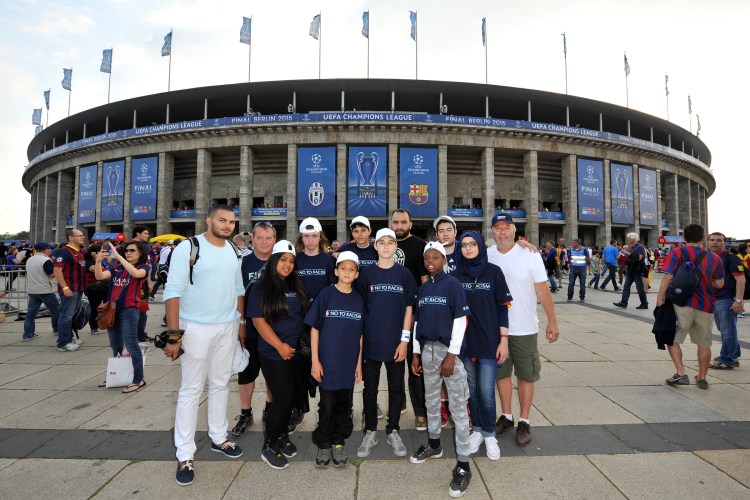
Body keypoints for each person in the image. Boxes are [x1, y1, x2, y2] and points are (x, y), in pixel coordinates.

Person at [163, 205, 246, 486]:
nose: (227, 225)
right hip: (194, 328)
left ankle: (219, 438)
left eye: (232, 222)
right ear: (209, 220)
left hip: (227, 326)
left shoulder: (234, 250)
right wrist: (174, 335)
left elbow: (238, 289)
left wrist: (239, 323)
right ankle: (185, 454)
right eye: (222, 220)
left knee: (221, 383)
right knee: (191, 389)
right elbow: (172, 291)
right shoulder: (189, 247)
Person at [487, 213, 560, 447]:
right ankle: (507, 416)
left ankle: (524, 420)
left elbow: (542, 289)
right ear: (492, 232)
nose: (502, 232)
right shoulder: (486, 255)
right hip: (495, 329)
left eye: (506, 227)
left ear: (514, 230)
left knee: (526, 375)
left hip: (524, 327)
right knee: (501, 375)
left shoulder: (529, 254)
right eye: (497, 228)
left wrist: (552, 321)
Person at [410, 241, 473, 498]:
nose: (431, 261)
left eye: (436, 257)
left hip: (449, 354)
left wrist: (451, 355)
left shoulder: (453, 285)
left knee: (458, 406)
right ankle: (434, 444)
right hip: (427, 352)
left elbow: (460, 320)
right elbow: (417, 323)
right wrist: (416, 352)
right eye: (427, 258)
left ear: (444, 260)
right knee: (431, 400)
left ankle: (464, 464)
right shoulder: (423, 288)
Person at [247, 240, 310, 470]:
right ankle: (270, 445)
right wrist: (280, 346)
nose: (288, 265)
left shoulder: (295, 285)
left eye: (292, 261)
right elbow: (258, 320)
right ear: (274, 260)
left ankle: (282, 435)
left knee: (290, 399)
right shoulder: (261, 287)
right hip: (274, 353)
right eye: (283, 259)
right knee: (282, 399)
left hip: (295, 353)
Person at [356, 228, 417, 458]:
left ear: (395, 247)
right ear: (375, 246)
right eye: (381, 242)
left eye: (390, 242)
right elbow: (361, 309)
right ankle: (370, 430)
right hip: (372, 342)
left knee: (396, 388)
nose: (386, 246)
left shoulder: (404, 274)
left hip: (396, 344)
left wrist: (404, 341)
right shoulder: (366, 274)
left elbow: (409, 309)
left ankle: (393, 430)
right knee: (369, 389)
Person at [452, 231, 511, 460]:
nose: (468, 248)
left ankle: (489, 434)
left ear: (480, 246)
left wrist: (504, 341)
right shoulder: (456, 276)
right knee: (472, 392)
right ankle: (476, 430)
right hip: (466, 343)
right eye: (464, 245)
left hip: (489, 342)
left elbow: (502, 309)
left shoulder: (494, 272)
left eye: (472, 244)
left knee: (486, 392)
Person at [306, 251, 365, 469]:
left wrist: (358, 365)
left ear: (357, 274)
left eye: (352, 269)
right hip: (327, 363)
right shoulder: (326, 295)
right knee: (327, 405)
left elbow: (360, 336)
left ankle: (338, 442)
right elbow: (315, 329)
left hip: (348, 365)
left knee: (344, 405)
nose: (347, 272)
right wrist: (315, 361)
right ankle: (324, 443)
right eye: (343, 268)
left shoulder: (359, 300)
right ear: (336, 271)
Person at [656, 224, 724, 390]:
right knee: (704, 343)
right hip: (706, 305)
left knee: (671, 337)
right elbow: (720, 283)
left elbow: (668, 277)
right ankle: (702, 377)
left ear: (684, 238)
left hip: (681, 304)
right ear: (703, 238)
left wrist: (660, 298)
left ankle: (681, 373)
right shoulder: (715, 258)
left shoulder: (677, 252)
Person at [231, 221, 276, 438]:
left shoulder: (281, 262)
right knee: (247, 371)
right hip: (248, 326)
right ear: (253, 239)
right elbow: (238, 295)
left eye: (268, 238)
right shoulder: (243, 263)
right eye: (260, 238)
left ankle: (269, 408)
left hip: (274, 328)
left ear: (274, 240)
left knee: (271, 371)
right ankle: (246, 412)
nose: (264, 242)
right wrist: (240, 323)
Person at [291, 217, 336, 431]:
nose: (310, 240)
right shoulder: (295, 260)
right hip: (298, 322)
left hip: (322, 322)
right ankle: (298, 410)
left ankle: (326, 412)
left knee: (323, 368)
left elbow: (332, 291)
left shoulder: (329, 261)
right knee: (299, 369)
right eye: (306, 236)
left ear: (320, 237)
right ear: (301, 237)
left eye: (314, 236)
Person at [95, 240, 150, 393]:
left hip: (129, 310)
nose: (128, 253)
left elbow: (136, 274)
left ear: (140, 253)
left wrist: (120, 258)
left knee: (131, 344)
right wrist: (99, 261)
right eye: (126, 250)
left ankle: (138, 379)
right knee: (115, 345)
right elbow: (100, 276)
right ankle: (117, 374)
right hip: (113, 309)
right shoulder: (117, 267)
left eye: (132, 251)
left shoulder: (143, 267)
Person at [391, 209, 428, 430]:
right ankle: (398, 403)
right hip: (390, 315)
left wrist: (419, 311)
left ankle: (420, 412)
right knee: (394, 366)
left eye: (403, 222)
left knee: (415, 367)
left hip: (413, 315)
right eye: (395, 222)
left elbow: (424, 281)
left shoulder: (420, 245)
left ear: (411, 224)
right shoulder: (383, 243)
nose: (399, 226)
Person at [707, 233, 743, 370]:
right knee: (725, 329)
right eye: (712, 240)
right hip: (714, 299)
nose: (715, 243)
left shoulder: (730, 258)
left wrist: (738, 300)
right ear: (708, 241)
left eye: (719, 240)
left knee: (728, 331)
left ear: (724, 242)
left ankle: (726, 359)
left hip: (727, 299)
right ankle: (733, 354)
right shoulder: (709, 257)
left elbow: (741, 280)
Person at [52, 229, 87, 352]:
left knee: (71, 315)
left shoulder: (81, 251)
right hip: (70, 288)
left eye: (82, 235)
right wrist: (64, 287)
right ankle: (63, 343)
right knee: (66, 316)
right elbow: (57, 270)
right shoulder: (64, 252)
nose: (82, 237)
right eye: (79, 236)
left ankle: (69, 338)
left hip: (79, 288)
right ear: (71, 237)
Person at [22, 243, 60, 341]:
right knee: (55, 309)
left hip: (33, 290)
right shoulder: (45, 260)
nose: (50, 250)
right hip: (45, 289)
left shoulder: (30, 259)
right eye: (49, 249)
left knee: (31, 313)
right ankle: (57, 329)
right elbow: (51, 274)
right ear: (44, 250)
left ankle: (27, 334)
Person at [613, 233, 649, 309]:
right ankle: (624, 302)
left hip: (637, 270)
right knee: (626, 286)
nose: (627, 240)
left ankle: (644, 303)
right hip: (630, 270)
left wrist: (627, 253)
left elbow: (639, 258)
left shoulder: (640, 247)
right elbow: (632, 257)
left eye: (629, 238)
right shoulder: (632, 247)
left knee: (639, 288)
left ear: (633, 239)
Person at [132, 226, 154, 343]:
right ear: (137, 233)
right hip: (134, 285)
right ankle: (137, 335)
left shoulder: (144, 247)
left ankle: (139, 334)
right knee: (137, 312)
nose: (148, 235)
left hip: (141, 285)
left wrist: (149, 282)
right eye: (145, 233)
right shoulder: (130, 247)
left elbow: (147, 267)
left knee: (141, 311)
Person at [84, 243, 109, 335]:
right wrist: (97, 260)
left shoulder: (104, 260)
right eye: (101, 251)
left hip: (105, 286)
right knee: (94, 307)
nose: (104, 253)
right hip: (94, 288)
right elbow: (96, 270)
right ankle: (94, 327)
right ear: (95, 253)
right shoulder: (88, 261)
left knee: (108, 305)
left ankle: (108, 323)